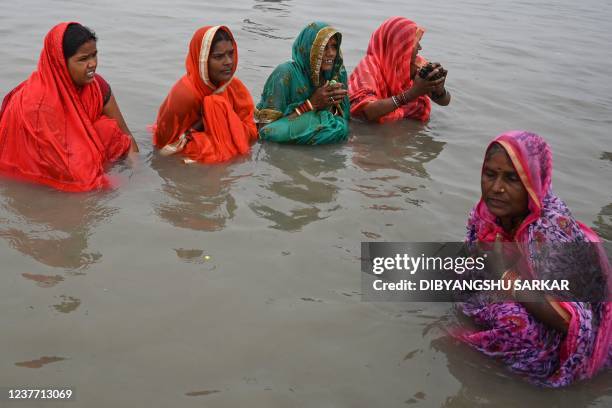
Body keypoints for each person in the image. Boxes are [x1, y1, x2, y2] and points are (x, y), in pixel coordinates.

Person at [459, 131, 611, 387]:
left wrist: (504, 275)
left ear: (532, 182)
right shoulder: (489, 211)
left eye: (511, 178)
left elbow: (571, 321)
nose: (496, 188)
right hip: (523, 287)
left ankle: (518, 384)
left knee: (514, 324)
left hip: (577, 319)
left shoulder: (548, 228)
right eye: (490, 174)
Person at [0, 22, 138, 192]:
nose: (92, 64)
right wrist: (102, 186)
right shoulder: (37, 104)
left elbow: (126, 136)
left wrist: (136, 174)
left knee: (107, 129)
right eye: (83, 59)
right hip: (38, 179)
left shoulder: (97, 87)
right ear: (60, 63)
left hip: (85, 164)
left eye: (94, 55)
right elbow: (61, 166)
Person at [153, 26, 257, 163]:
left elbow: (247, 122)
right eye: (218, 57)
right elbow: (164, 144)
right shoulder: (185, 94)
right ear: (201, 60)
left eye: (231, 53)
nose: (229, 62)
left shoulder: (231, 85)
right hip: (188, 144)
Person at [255, 22, 349, 145]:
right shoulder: (284, 74)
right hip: (286, 148)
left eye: (334, 47)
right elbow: (265, 131)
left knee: (339, 126)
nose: (331, 53)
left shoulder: (336, 74)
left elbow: (345, 118)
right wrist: (311, 104)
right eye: (324, 47)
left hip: (322, 150)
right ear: (310, 48)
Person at [349, 17, 450, 123]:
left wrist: (440, 90)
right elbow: (366, 111)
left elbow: (445, 101)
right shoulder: (368, 68)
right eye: (415, 43)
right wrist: (411, 94)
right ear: (400, 45)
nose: (420, 48)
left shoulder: (416, 64)